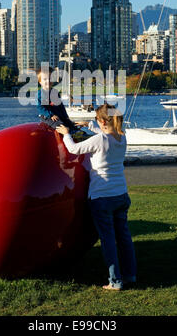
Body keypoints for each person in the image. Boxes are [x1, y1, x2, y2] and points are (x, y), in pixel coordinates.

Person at [56, 103, 137, 291]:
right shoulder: (122, 137)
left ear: (101, 121)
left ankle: (115, 281)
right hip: (120, 194)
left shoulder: (100, 140)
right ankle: (130, 275)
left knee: (108, 240)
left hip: (102, 196)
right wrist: (90, 126)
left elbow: (74, 149)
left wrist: (66, 133)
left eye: (96, 120)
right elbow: (106, 134)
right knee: (124, 237)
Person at [36, 67, 78, 134]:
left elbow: (60, 106)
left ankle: (76, 133)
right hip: (47, 116)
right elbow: (41, 107)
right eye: (45, 79)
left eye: (50, 78)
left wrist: (66, 117)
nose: (48, 81)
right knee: (60, 125)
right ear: (40, 81)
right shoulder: (41, 94)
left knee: (70, 123)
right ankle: (64, 138)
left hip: (57, 115)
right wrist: (50, 115)